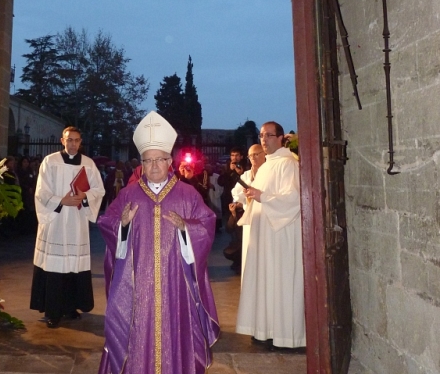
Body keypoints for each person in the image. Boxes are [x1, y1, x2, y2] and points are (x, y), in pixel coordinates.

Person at [98, 111, 220, 374]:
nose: (153, 166)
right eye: (148, 161)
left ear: (169, 161)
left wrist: (187, 228)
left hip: (176, 286)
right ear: (141, 163)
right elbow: (105, 223)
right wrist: (123, 225)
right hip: (137, 286)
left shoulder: (188, 194)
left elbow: (208, 226)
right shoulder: (128, 194)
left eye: (159, 160)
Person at [235, 122, 306, 349]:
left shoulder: (288, 164)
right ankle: (265, 329)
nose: (264, 140)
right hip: (264, 237)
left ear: (281, 138)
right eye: (261, 135)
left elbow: (294, 198)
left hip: (280, 237)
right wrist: (252, 195)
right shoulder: (267, 166)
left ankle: (284, 334)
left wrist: (262, 196)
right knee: (265, 282)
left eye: (269, 135)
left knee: (279, 282)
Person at [30, 126, 105, 328]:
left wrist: (85, 197)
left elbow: (99, 189)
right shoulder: (50, 161)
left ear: (81, 142)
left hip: (77, 222)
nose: (73, 143)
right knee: (55, 266)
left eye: (77, 140)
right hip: (56, 221)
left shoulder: (88, 165)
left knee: (74, 266)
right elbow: (41, 191)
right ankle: (52, 311)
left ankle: (71, 307)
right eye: (69, 139)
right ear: (62, 141)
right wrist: (60, 200)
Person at [231, 144, 267, 278]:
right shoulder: (246, 175)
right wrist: (239, 202)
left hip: (265, 216)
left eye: (256, 154)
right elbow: (236, 192)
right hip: (249, 217)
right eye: (251, 155)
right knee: (249, 249)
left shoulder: (269, 173)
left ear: (264, 154)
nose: (253, 158)